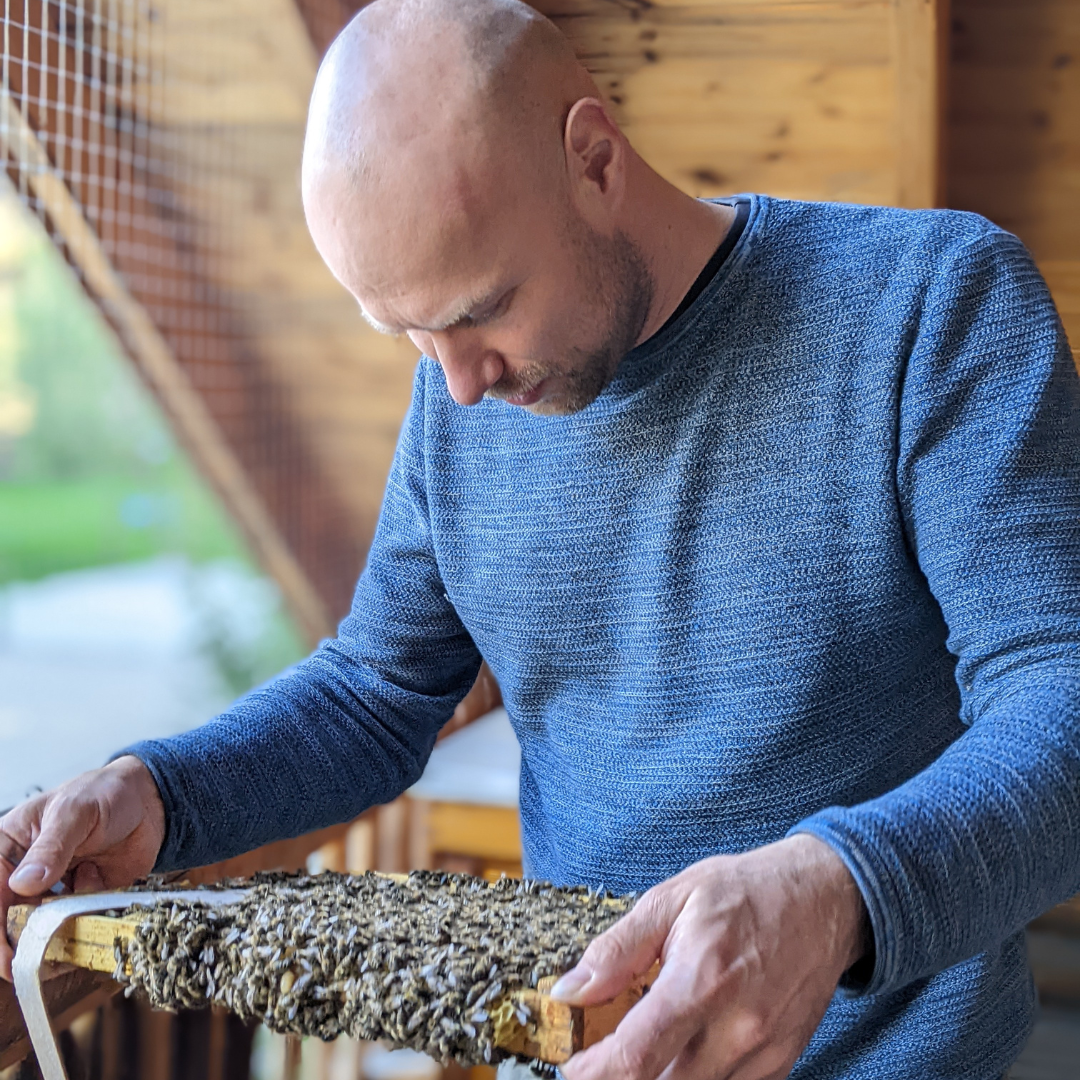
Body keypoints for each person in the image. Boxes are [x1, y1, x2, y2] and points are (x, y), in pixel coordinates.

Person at [3, 0, 1079, 1077]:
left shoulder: (933, 304)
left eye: (482, 308)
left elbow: (1061, 698)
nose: (460, 384)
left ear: (595, 161)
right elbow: (375, 691)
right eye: (411, 335)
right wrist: (159, 791)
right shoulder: (458, 400)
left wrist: (838, 892)